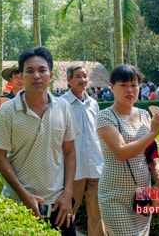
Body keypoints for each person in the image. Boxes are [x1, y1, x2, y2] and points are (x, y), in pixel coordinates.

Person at [0, 46, 79, 235]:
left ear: (51, 74)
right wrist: (25, 197)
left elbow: (70, 152)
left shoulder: (63, 108)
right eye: (30, 71)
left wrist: (68, 194)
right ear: (21, 76)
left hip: (58, 204)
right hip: (17, 203)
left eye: (42, 70)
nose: (36, 76)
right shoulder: (7, 112)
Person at [96, 64, 159, 236]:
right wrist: (152, 132)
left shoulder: (144, 114)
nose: (130, 90)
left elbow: (150, 149)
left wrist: (157, 172)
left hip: (142, 192)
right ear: (112, 87)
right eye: (123, 85)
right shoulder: (106, 116)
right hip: (114, 196)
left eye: (134, 85)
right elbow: (121, 152)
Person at [60, 65, 105, 236]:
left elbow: (97, 133)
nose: (82, 80)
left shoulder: (93, 103)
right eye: (77, 76)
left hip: (95, 166)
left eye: (84, 76)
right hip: (74, 169)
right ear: (69, 80)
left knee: (98, 214)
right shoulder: (61, 103)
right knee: (68, 211)